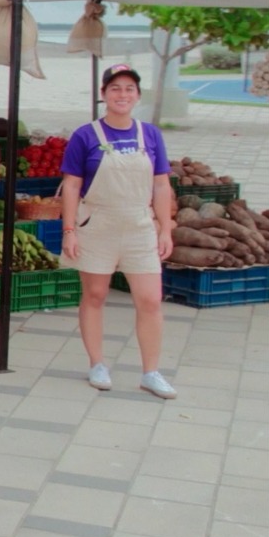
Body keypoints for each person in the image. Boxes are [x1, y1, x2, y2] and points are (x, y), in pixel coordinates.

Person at [60, 65, 175, 398]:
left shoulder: (150, 135)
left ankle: (151, 372)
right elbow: (71, 186)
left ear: (138, 95)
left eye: (129, 89)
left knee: (150, 299)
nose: (122, 95)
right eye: (115, 88)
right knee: (95, 295)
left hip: (140, 225)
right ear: (103, 94)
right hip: (98, 223)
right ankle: (97, 363)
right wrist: (70, 230)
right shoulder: (85, 135)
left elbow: (161, 184)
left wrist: (165, 228)